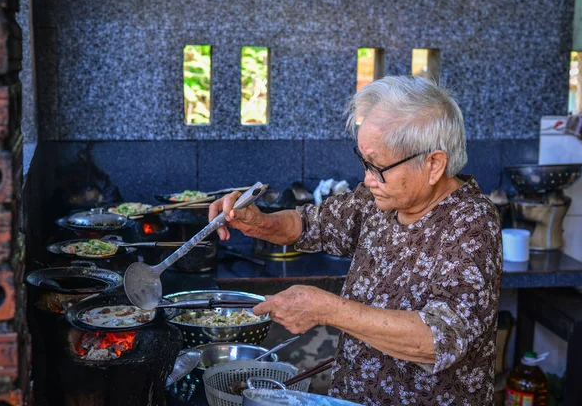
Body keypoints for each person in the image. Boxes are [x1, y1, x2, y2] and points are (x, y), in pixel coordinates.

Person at [209, 75, 502, 405]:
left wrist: (327, 309)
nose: (367, 178)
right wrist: (257, 222)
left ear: (433, 164)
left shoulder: (471, 222)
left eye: (377, 166)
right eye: (364, 162)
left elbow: (437, 340)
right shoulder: (379, 199)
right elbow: (308, 224)